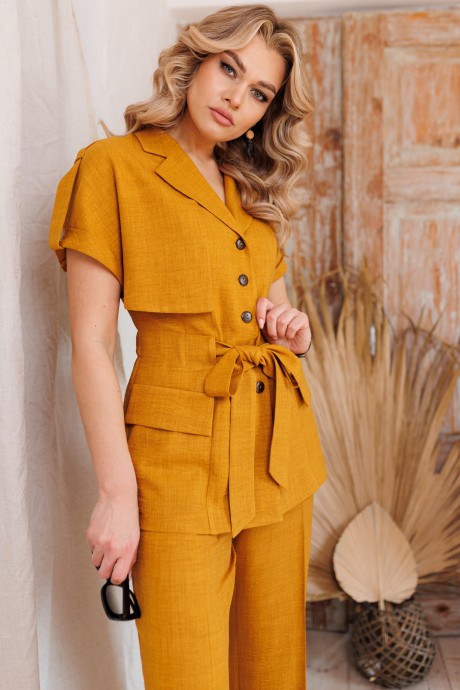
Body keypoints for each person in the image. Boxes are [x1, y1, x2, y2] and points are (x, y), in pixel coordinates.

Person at [48, 4, 327, 688]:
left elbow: (279, 318)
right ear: (197, 60)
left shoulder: (250, 189)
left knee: (273, 672)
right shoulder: (111, 168)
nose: (236, 98)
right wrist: (117, 493)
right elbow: (91, 345)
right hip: (175, 469)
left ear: (266, 112)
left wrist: (292, 331)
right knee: (186, 672)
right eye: (229, 69)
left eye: (258, 92)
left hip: (277, 455)